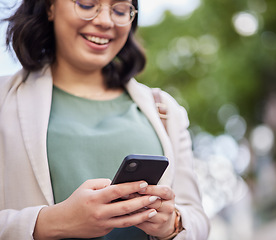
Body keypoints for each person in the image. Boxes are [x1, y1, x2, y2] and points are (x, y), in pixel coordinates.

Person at [0, 0, 210, 239]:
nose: (105, 21)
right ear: (50, 7)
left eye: (120, 10)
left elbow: (198, 220)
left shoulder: (164, 109)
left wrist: (172, 223)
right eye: (87, 4)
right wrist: (53, 222)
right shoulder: (4, 100)